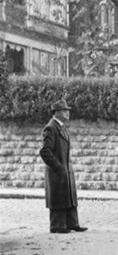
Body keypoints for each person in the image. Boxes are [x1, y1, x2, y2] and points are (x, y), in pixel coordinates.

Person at [39, 99, 87, 234]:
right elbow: (45, 151)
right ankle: (57, 225)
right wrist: (58, 167)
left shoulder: (60, 126)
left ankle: (72, 223)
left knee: (68, 196)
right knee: (59, 197)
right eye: (65, 111)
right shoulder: (51, 127)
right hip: (58, 170)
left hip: (65, 169)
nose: (68, 113)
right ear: (57, 112)